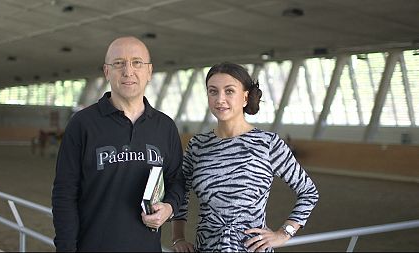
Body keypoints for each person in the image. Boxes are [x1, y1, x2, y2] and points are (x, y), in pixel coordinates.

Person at [52, 36, 185, 252]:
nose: (128, 71)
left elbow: (176, 180)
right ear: (106, 71)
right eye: (119, 63)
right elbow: (64, 194)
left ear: (149, 72)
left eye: (137, 63)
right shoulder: (83, 124)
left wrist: (169, 208)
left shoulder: (165, 127)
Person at [171, 62, 319, 252]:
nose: (220, 99)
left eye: (229, 91)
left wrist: (284, 233)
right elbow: (180, 195)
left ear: (245, 97)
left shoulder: (268, 143)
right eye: (213, 91)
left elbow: (308, 192)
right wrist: (178, 238)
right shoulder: (197, 146)